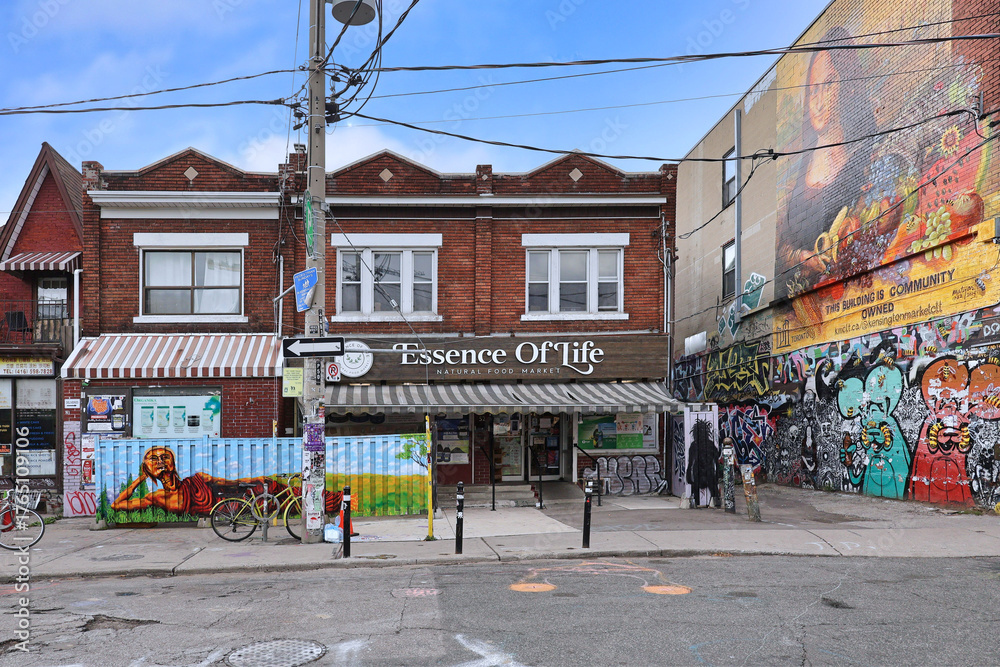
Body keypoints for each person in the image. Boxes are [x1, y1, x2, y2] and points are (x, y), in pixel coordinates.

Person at [777, 26, 876, 297]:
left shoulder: (865, 158)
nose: (818, 102)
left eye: (829, 83)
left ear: (848, 84)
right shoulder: (795, 175)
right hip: (801, 307)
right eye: (812, 91)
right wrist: (801, 258)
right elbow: (781, 246)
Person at [687, 420, 721, 508]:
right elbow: (716, 460)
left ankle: (696, 503)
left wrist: (688, 476)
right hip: (708, 469)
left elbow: (690, 462)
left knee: (696, 488)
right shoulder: (710, 444)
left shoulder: (694, 445)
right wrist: (718, 474)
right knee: (713, 489)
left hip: (698, 469)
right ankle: (716, 503)